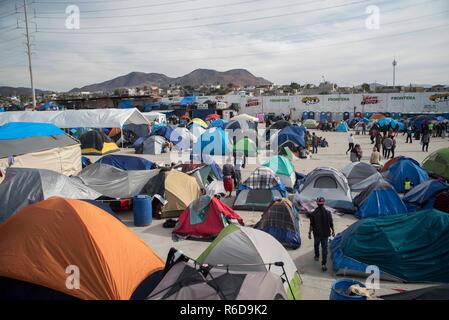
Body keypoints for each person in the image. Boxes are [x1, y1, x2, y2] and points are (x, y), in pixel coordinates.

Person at [308, 197, 335, 272]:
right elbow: (331, 223)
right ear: (324, 203)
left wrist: (309, 232)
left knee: (316, 244)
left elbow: (311, 224)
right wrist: (333, 231)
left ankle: (317, 256)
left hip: (317, 233)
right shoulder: (328, 213)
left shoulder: (313, 213)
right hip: (325, 234)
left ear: (317, 203)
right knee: (324, 248)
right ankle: (324, 264)